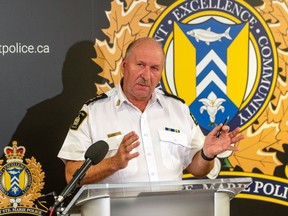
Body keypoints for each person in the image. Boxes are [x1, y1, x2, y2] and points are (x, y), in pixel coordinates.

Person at [57, 37, 244, 185]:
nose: (146, 76)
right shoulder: (94, 112)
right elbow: (72, 175)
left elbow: (198, 168)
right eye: (140, 65)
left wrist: (206, 154)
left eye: (154, 68)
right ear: (124, 66)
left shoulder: (178, 109)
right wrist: (113, 163)